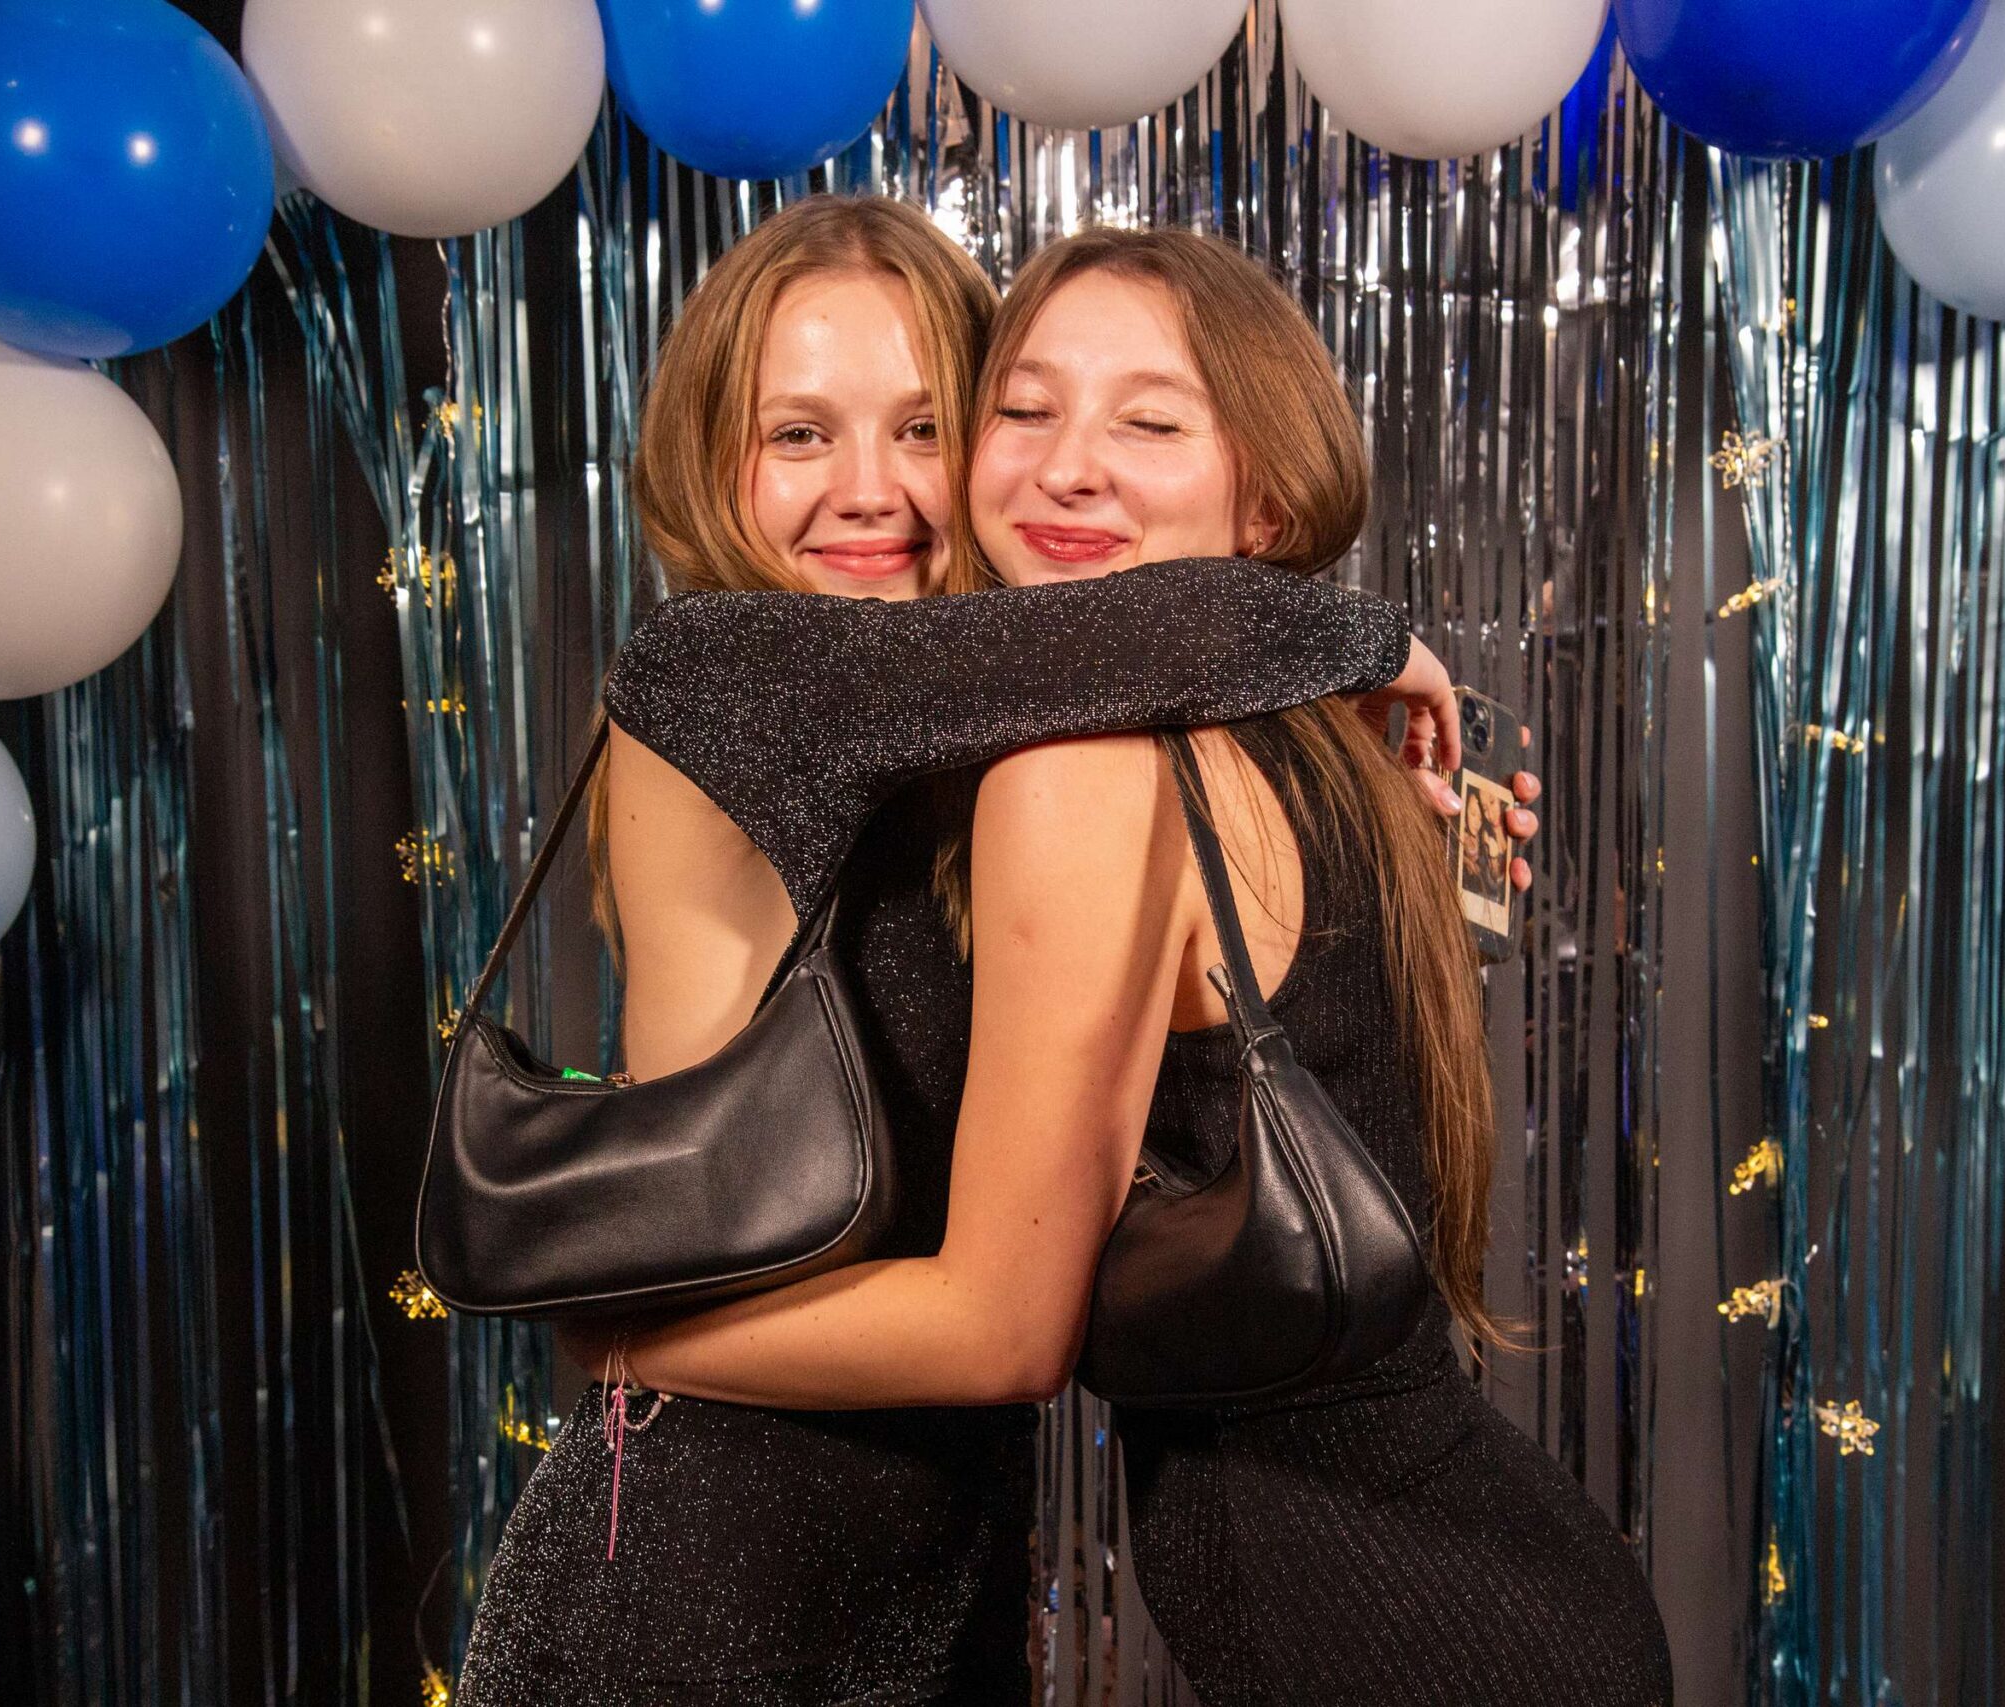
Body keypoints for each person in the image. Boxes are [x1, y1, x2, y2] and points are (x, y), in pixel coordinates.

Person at [454, 198, 1526, 1706]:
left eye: (923, 429)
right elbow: (1166, 624)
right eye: (798, 436)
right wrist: (1357, 639)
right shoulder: (711, 672)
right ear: (710, 459)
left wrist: (1365, 845)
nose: (870, 493)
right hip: (699, 1566)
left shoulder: (1006, 746)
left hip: (947, 1557)